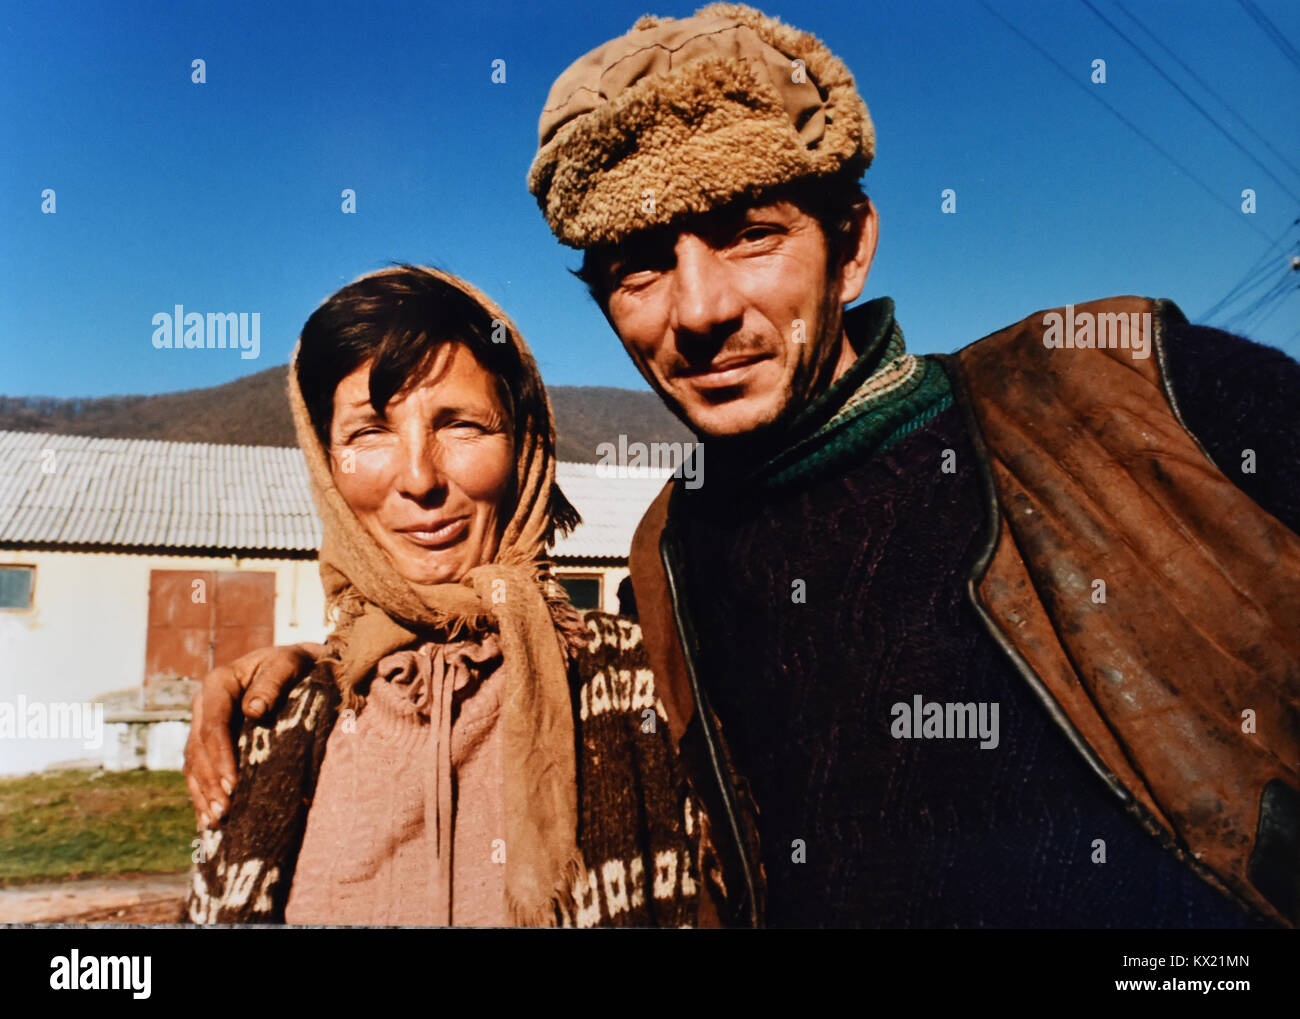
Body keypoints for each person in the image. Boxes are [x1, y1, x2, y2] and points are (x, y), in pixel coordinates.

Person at [188, 5, 1300, 929]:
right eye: (637, 268)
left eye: (750, 233)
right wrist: (321, 664)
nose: (700, 310)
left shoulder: (1123, 387)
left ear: (852, 242)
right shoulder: (668, 563)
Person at [185, 265, 710, 927]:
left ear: (526, 447)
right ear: (325, 460)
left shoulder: (652, 683)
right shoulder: (272, 726)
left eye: (461, 424)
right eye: (369, 432)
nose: (419, 479)